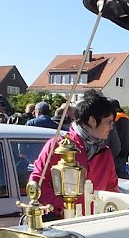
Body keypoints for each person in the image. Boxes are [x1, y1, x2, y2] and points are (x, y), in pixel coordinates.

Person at [28, 91, 119, 219]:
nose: (111, 128)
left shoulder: (105, 152)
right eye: (109, 122)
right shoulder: (57, 146)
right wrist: (62, 207)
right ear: (93, 121)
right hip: (63, 225)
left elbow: (112, 189)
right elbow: (37, 181)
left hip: (95, 225)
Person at [110, 99, 129, 178]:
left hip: (118, 153)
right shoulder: (126, 117)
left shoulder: (115, 118)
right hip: (126, 151)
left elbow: (114, 137)